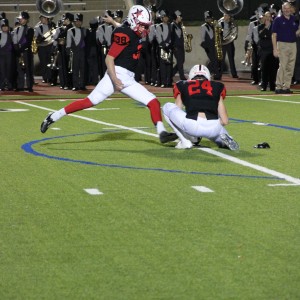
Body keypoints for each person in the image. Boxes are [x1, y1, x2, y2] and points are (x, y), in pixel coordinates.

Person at [40, 5, 177, 144]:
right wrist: (115, 79)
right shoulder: (123, 34)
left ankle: (162, 133)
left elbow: (123, 26)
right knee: (89, 102)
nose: (145, 29)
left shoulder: (129, 29)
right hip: (117, 73)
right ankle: (54, 116)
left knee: (153, 102)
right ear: (134, 21)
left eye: (146, 26)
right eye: (142, 25)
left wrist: (112, 21)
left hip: (127, 77)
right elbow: (109, 58)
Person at [162, 64, 239, 150]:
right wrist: (212, 126)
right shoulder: (217, 86)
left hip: (193, 124)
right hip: (213, 126)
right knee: (216, 129)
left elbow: (177, 109)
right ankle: (223, 138)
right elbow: (225, 121)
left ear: (191, 76)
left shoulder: (182, 85)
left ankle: (185, 141)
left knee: (167, 106)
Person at [272, 1, 300, 94]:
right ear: (282, 9)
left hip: (293, 44)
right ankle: (279, 86)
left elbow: (295, 33)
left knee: (290, 66)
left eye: (288, 8)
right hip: (282, 44)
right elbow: (274, 35)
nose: (287, 10)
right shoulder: (278, 20)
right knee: (283, 66)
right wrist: (275, 49)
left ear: (290, 9)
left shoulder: (294, 19)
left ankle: (286, 87)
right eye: (285, 8)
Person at [12, 11, 34, 92]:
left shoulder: (30, 29)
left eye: (21, 18)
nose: (20, 20)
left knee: (28, 69)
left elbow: (28, 42)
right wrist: (16, 50)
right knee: (19, 69)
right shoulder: (16, 29)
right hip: (19, 51)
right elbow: (14, 41)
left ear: (26, 19)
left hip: (26, 51)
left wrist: (20, 50)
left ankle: (29, 86)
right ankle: (20, 85)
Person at [258, 11, 278, 91]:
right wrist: (266, 28)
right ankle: (264, 85)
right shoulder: (260, 26)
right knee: (264, 69)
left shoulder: (274, 26)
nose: (267, 18)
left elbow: (273, 36)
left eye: (269, 16)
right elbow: (261, 35)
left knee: (273, 69)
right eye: (266, 16)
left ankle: (272, 86)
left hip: (272, 50)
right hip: (264, 51)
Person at [66, 13, 87, 91]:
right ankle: (75, 85)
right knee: (75, 69)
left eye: (79, 21)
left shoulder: (84, 30)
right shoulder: (70, 31)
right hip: (74, 51)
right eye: (76, 21)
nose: (78, 23)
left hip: (82, 52)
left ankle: (82, 84)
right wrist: (68, 52)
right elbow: (68, 42)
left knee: (83, 69)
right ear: (74, 22)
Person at [200, 11, 222, 80]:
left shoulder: (214, 26)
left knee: (214, 61)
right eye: (208, 18)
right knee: (214, 61)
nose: (210, 19)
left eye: (210, 18)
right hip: (208, 46)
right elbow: (202, 38)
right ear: (205, 19)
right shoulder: (203, 27)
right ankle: (217, 76)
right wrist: (205, 47)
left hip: (214, 45)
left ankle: (206, 73)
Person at [219, 13, 238, 78]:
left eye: (226, 15)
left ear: (229, 16)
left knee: (231, 59)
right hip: (222, 43)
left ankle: (234, 74)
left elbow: (235, 35)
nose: (224, 16)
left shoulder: (233, 23)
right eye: (224, 15)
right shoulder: (220, 23)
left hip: (230, 43)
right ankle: (219, 74)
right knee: (221, 59)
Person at [171, 10, 186, 81]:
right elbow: (171, 37)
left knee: (182, 61)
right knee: (180, 61)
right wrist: (173, 46)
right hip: (176, 46)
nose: (181, 18)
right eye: (180, 17)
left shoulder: (180, 25)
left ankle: (171, 74)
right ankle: (182, 77)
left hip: (181, 45)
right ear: (177, 17)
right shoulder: (172, 25)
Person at [0, 18, 14, 91]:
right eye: (3, 26)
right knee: (2, 70)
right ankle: (2, 85)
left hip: (9, 54)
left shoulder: (11, 34)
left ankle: (9, 85)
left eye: (6, 26)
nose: (5, 28)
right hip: (1, 54)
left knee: (9, 70)